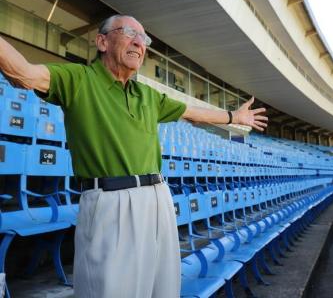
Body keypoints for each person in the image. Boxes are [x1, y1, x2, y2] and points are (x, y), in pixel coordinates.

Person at [0, 15, 268, 298]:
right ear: (102, 41)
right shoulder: (79, 78)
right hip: (110, 200)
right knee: (111, 291)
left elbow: (193, 112)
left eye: (145, 39)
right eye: (130, 33)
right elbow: (24, 73)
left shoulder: (147, 95)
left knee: (162, 289)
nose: (140, 43)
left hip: (158, 197)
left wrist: (233, 117)